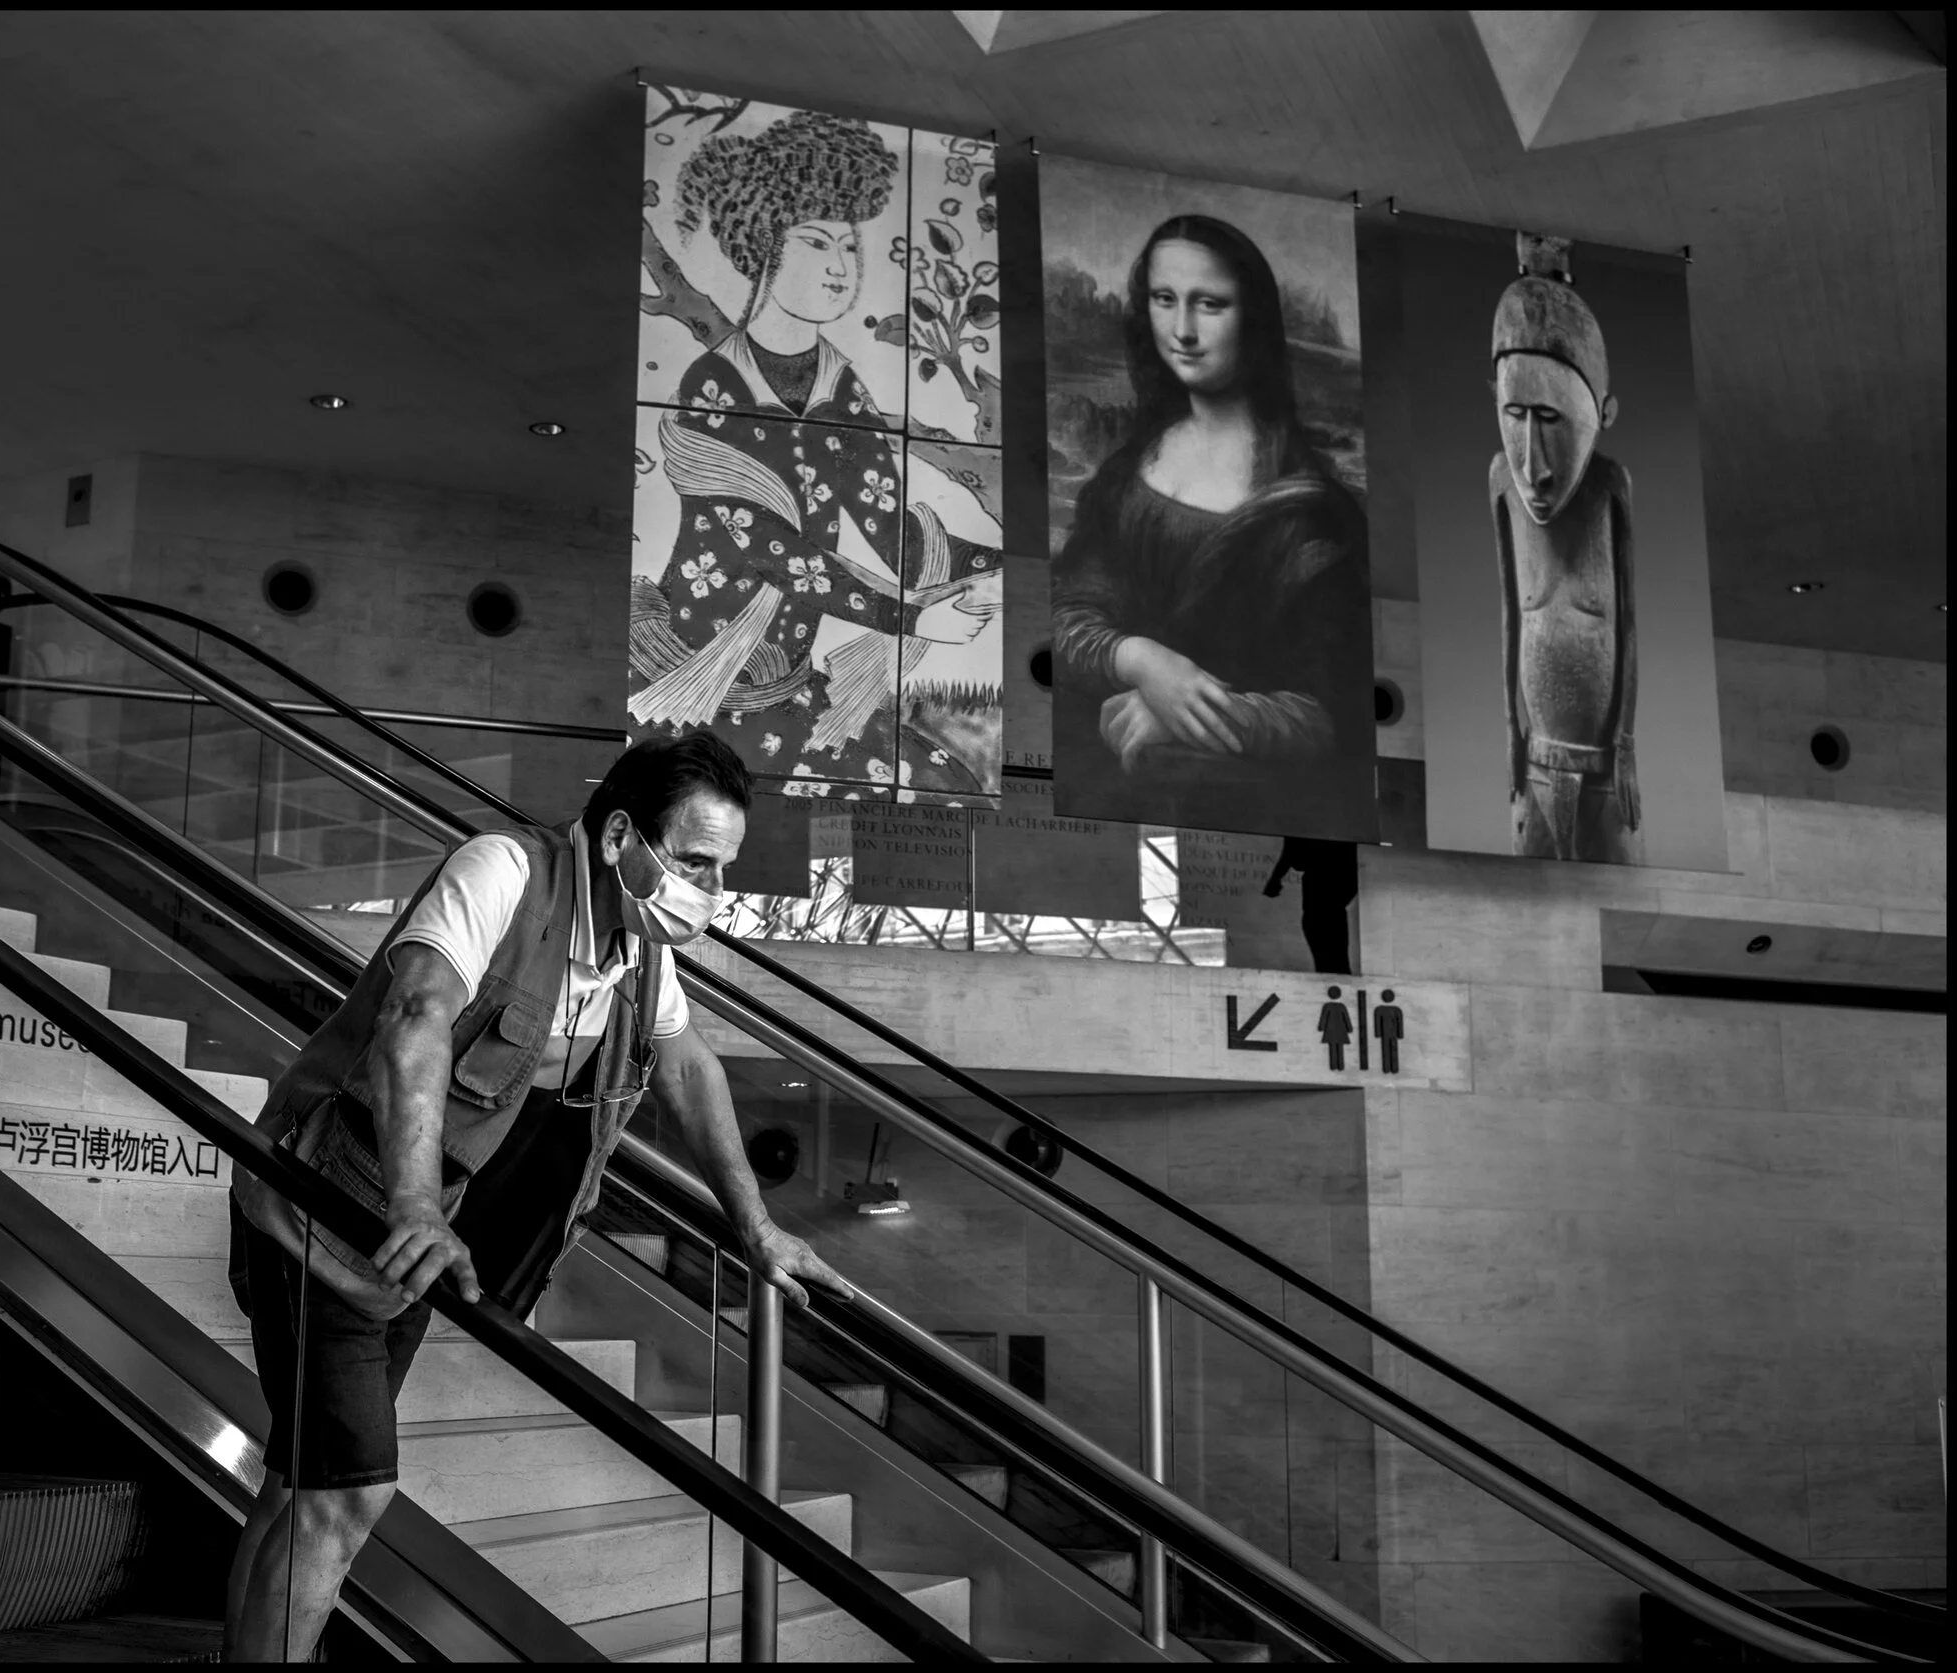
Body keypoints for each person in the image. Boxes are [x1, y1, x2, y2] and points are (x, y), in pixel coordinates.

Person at [221, 733, 852, 1662]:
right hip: (323, 1204)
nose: (712, 891)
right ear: (620, 837)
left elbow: (688, 1069)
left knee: (301, 1484)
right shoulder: (503, 873)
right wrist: (415, 1205)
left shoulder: (636, 951)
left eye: (722, 869)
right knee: (345, 1496)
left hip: (407, 1249)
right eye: (694, 862)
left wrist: (757, 1229)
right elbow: (415, 1017)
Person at [631, 108, 1000, 796]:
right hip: (690, 682)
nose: (840, 268)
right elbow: (773, 551)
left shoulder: (843, 389)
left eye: (850, 247)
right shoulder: (713, 386)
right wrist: (914, 616)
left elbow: (893, 535)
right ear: (765, 244)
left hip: (787, 683)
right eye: (816, 242)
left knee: (948, 782)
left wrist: (999, 569)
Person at [1050, 214, 1370, 832]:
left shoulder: (1308, 514)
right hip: (1104, 801)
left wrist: (1184, 713)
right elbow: (1066, 615)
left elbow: (1327, 715)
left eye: (1210, 304)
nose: (1183, 331)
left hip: (1245, 811)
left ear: (1254, 318)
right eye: (1164, 299)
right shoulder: (1130, 472)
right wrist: (1140, 661)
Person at [1490, 233, 1639, 863]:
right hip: (1537, 765)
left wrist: (1626, 744)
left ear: (1602, 412)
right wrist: (1511, 731)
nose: (1535, 467)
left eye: (1552, 419)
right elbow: (1511, 614)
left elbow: (1627, 625)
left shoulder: (1609, 487)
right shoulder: (1502, 482)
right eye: (1514, 414)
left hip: (1603, 770)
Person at [1261, 835, 1357, 975]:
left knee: (1330, 962)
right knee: (1332, 962)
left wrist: (1276, 878)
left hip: (1324, 904)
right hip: (1327, 903)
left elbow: (1290, 851)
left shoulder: (1320, 876)